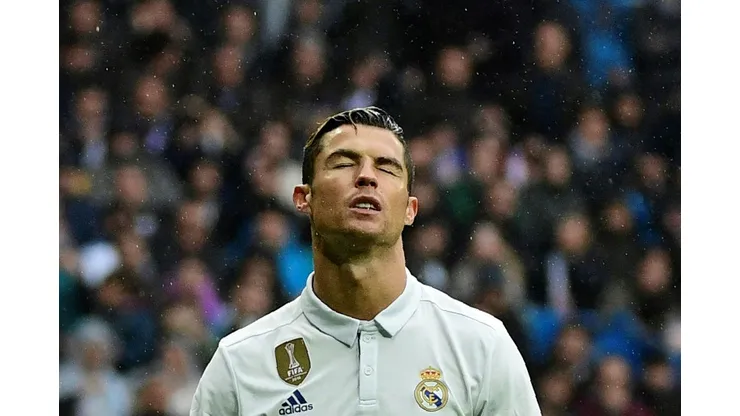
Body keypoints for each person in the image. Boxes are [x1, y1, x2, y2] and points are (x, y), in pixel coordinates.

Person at [189, 106, 541, 415]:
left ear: (410, 209)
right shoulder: (240, 363)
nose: (367, 176)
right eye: (344, 163)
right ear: (303, 199)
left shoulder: (482, 347)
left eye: (386, 168)